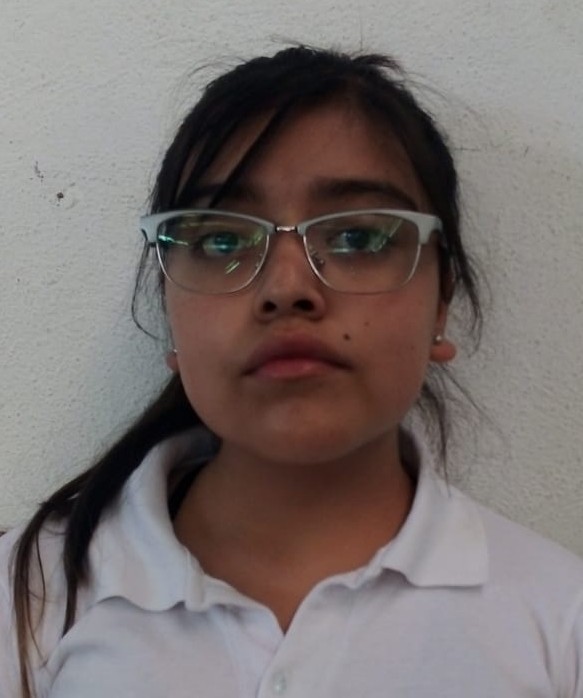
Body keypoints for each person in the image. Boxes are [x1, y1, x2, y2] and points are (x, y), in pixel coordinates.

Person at [1, 45, 582, 698]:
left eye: (358, 237)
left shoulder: (558, 622)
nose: (286, 289)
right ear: (171, 315)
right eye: (222, 239)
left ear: (441, 300)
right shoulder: (30, 594)